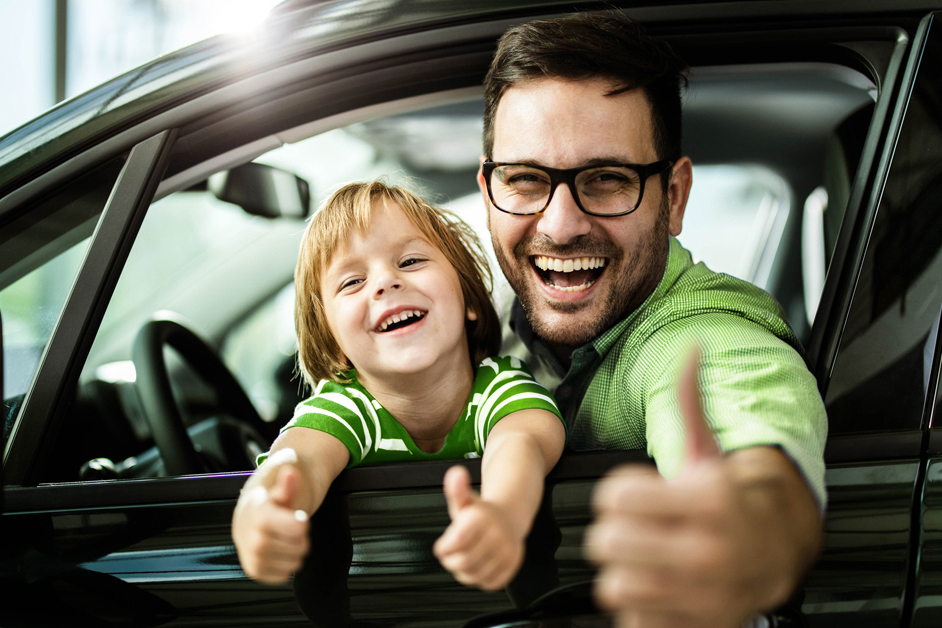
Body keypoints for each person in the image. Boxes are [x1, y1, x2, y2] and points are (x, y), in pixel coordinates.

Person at [479, 13, 828, 628]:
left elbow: (759, 472)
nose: (560, 225)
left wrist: (739, 543)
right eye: (526, 179)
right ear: (488, 193)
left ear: (673, 197)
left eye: (607, 179)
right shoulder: (482, 328)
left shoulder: (706, 339)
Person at [231, 180, 566, 592]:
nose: (385, 282)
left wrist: (501, 513)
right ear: (333, 345)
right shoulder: (347, 408)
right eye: (351, 282)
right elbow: (296, 462)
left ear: (470, 300)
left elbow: (523, 444)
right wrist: (260, 508)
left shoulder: (500, 386)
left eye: (409, 261)